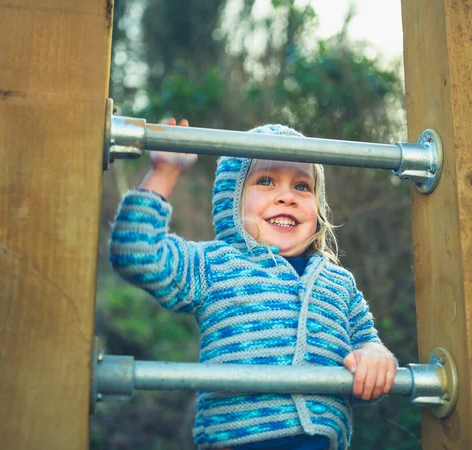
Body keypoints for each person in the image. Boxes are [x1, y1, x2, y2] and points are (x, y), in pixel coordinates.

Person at [109, 119, 398, 450]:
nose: (287, 197)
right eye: (266, 181)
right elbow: (136, 254)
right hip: (236, 441)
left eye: (302, 187)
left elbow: (367, 344)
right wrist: (164, 173)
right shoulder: (214, 266)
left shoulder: (339, 284)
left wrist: (375, 355)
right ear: (231, 202)